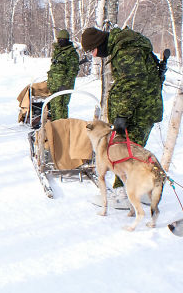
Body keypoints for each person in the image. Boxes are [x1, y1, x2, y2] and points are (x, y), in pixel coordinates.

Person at [80, 25, 163, 194]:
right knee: (127, 152)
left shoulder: (126, 49)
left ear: (100, 44)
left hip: (139, 111)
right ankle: (129, 191)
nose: (94, 55)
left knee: (128, 153)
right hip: (138, 108)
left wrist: (122, 115)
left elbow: (133, 83)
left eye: (93, 50)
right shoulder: (122, 46)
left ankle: (125, 194)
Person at [46, 29, 80, 120]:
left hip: (63, 86)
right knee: (53, 108)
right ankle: (55, 128)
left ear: (67, 40)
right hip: (54, 85)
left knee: (61, 108)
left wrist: (66, 85)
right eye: (59, 39)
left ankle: (62, 128)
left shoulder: (72, 54)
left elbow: (72, 72)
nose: (60, 41)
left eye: (63, 39)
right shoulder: (57, 51)